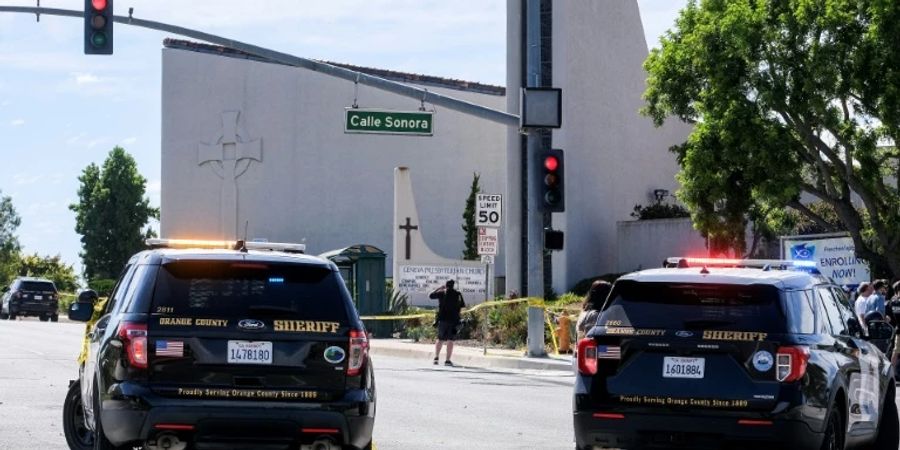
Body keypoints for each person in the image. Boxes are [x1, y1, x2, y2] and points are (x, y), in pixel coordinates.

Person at [429, 280, 465, 366]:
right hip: (454, 320)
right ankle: (447, 360)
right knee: (450, 340)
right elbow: (462, 305)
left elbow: (430, 296)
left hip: (442, 320)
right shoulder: (458, 294)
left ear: (446, 285)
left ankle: (436, 357)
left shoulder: (442, 293)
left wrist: (439, 288)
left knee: (440, 339)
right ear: (453, 286)